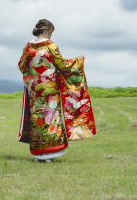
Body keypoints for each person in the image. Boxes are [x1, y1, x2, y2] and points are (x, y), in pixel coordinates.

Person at [18, 19, 96, 162]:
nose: (51, 36)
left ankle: (38, 154)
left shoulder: (28, 47)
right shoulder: (50, 46)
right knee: (51, 119)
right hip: (50, 89)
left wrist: (34, 76)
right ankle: (50, 154)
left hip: (34, 90)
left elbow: (22, 65)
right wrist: (78, 62)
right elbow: (62, 65)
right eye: (51, 32)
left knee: (37, 120)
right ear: (47, 31)